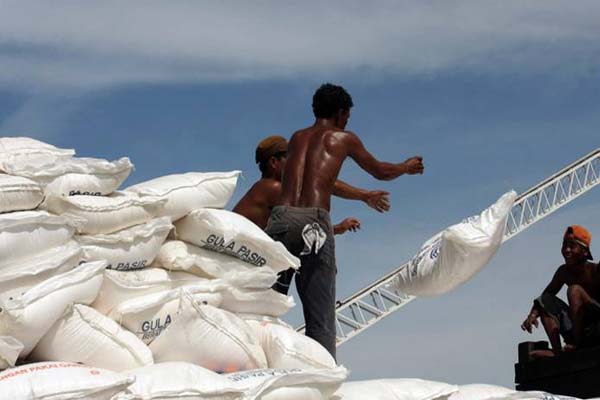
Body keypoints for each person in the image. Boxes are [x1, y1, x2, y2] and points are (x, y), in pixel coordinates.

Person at [264, 83, 425, 358]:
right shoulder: (343, 138)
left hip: (279, 219)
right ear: (341, 113)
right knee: (320, 316)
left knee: (264, 305)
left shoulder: (296, 138)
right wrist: (406, 167)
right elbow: (380, 171)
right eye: (348, 115)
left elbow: (324, 181)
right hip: (313, 224)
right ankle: (322, 376)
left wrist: (362, 196)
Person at [233, 135, 391, 294]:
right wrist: (363, 196)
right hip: (247, 265)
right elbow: (317, 186)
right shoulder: (270, 188)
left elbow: (304, 226)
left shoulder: (272, 191)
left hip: (256, 263)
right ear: (274, 162)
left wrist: (339, 226)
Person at [521, 225, 599, 357]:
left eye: (572, 246)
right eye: (564, 245)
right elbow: (545, 296)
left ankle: (577, 346)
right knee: (545, 300)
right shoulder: (563, 272)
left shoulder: (595, 271)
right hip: (577, 329)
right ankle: (558, 352)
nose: (566, 250)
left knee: (574, 291)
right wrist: (532, 316)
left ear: (585, 252)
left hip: (596, 326)